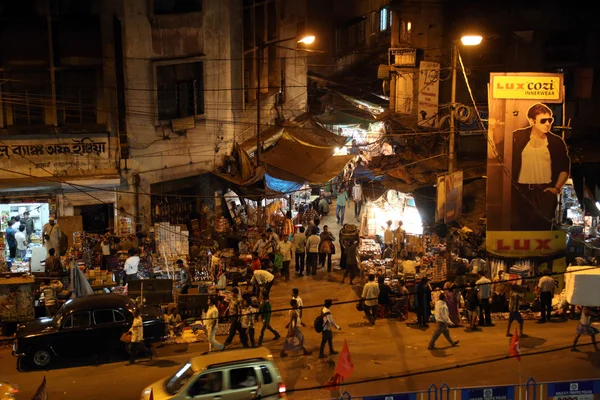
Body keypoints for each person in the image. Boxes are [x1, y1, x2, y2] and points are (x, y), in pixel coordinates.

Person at [511, 103, 570, 231]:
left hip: (545, 192)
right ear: (532, 121)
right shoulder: (517, 137)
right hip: (521, 192)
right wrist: (492, 129)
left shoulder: (556, 142)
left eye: (550, 120)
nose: (548, 123)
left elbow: (564, 168)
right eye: (543, 120)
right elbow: (497, 154)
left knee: (542, 228)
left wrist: (556, 188)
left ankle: (540, 250)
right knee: (519, 227)